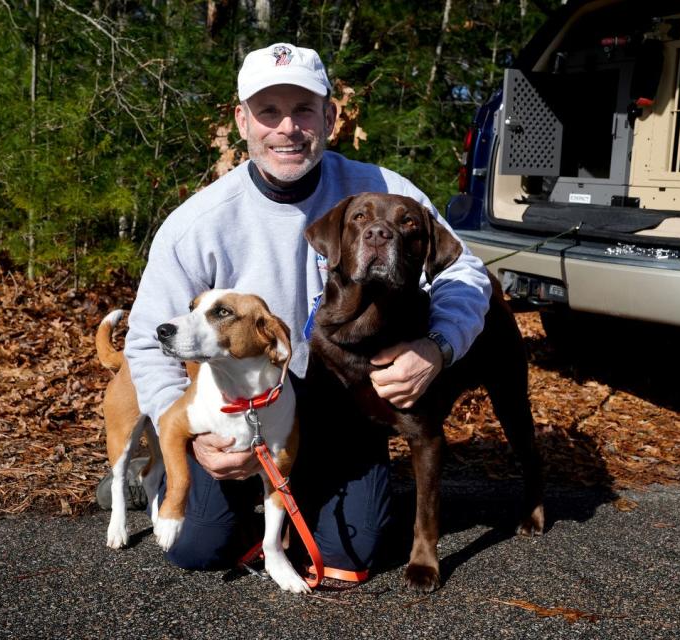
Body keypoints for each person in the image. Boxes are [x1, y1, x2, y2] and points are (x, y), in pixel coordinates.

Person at [98, 42, 493, 575]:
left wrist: (438, 346)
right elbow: (147, 339)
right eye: (269, 112)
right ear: (242, 121)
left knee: (350, 554)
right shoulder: (199, 222)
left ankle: (296, 499)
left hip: (345, 410)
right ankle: (183, 480)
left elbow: (466, 272)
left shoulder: (381, 191)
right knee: (196, 549)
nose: (287, 127)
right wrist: (195, 433)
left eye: (304, 109)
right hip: (243, 411)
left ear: (330, 117)